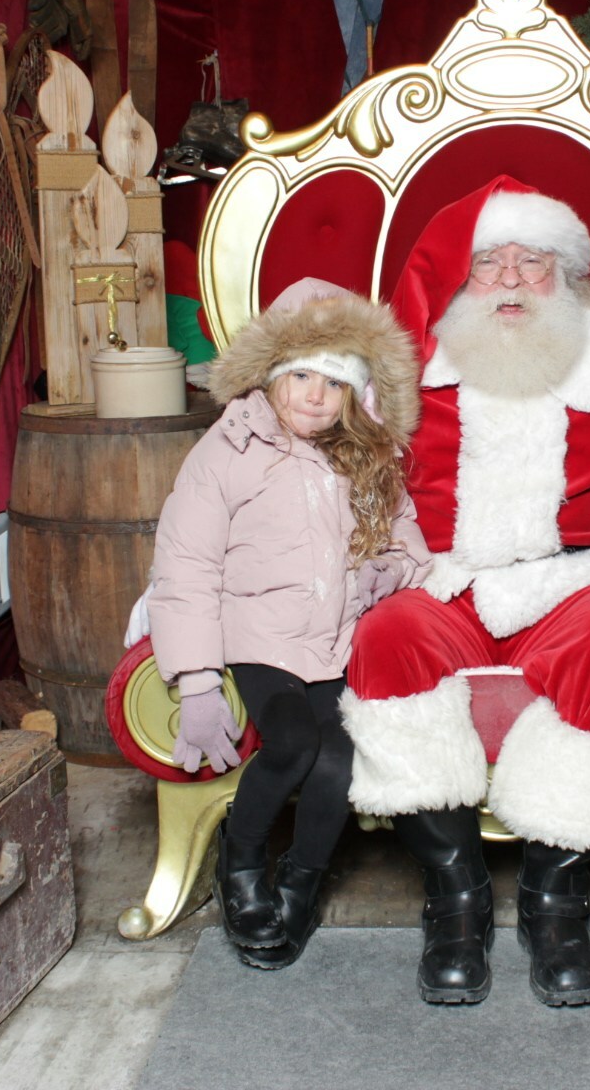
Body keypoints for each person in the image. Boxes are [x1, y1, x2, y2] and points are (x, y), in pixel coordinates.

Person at [339, 179, 590, 1007]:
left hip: (575, 577)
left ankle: (557, 900)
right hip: (444, 576)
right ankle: (458, 898)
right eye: (490, 263)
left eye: (533, 261)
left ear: (568, 274)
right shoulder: (410, 363)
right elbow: (346, 471)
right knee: (385, 636)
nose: (512, 280)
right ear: (461, 274)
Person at [147, 277, 429, 968]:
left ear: (355, 393)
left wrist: (387, 571)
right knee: (295, 742)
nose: (314, 395)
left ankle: (300, 881)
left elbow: (407, 541)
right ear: (271, 373)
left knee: (340, 756)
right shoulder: (229, 450)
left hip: (334, 641)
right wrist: (197, 681)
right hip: (259, 636)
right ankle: (241, 861)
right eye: (301, 375)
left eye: (333, 382)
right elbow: (185, 565)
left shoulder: (365, 456)